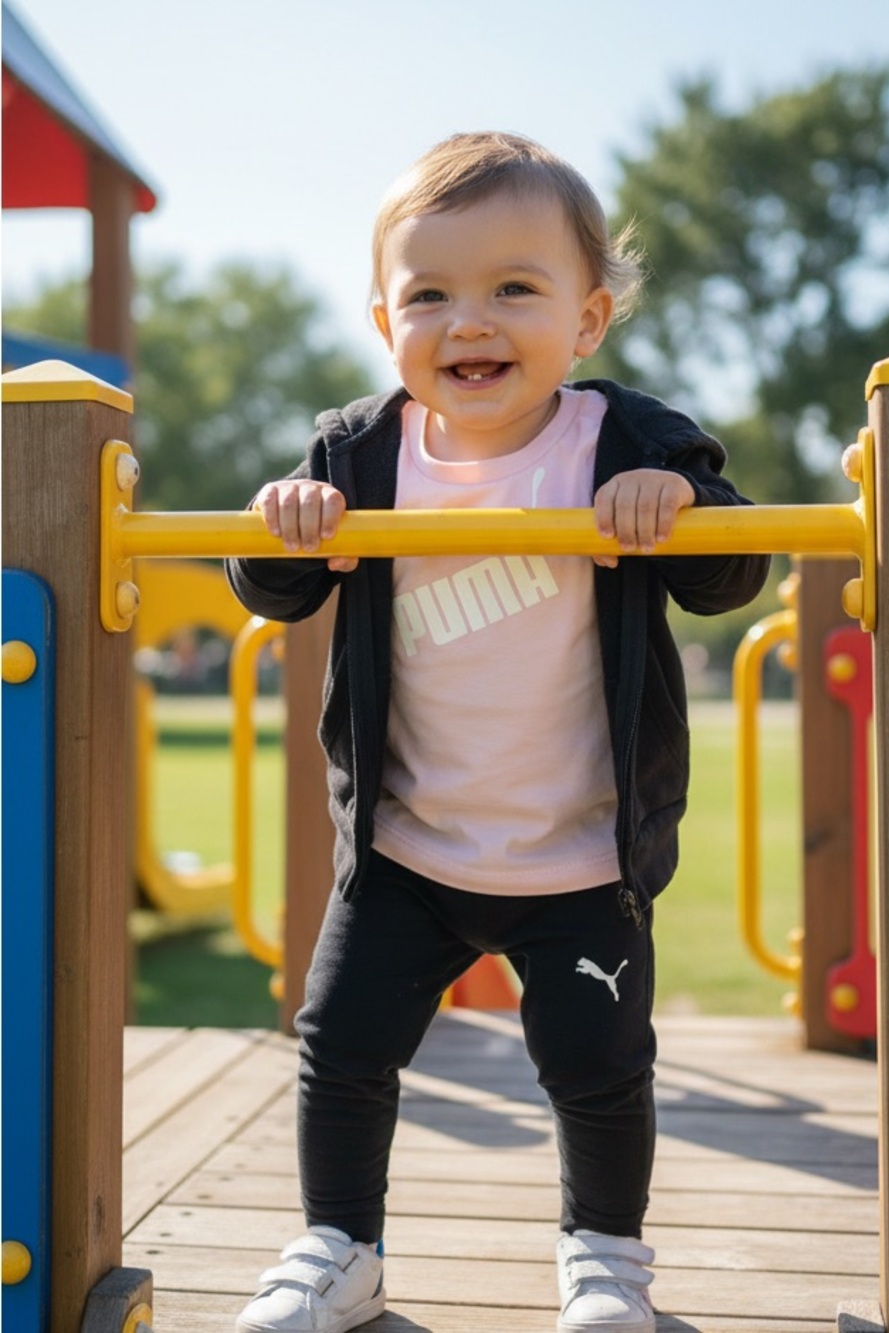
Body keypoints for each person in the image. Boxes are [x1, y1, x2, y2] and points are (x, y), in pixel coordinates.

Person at [227, 131, 770, 1333]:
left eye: (513, 289)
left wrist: (680, 506)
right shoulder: (359, 455)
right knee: (341, 1047)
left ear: (587, 320)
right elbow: (272, 590)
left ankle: (606, 1261)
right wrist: (286, 521)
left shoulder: (624, 442)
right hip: (409, 845)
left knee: (595, 1067)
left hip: (578, 852)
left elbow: (734, 571)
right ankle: (339, 1243)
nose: (468, 320)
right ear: (385, 322)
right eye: (430, 294)